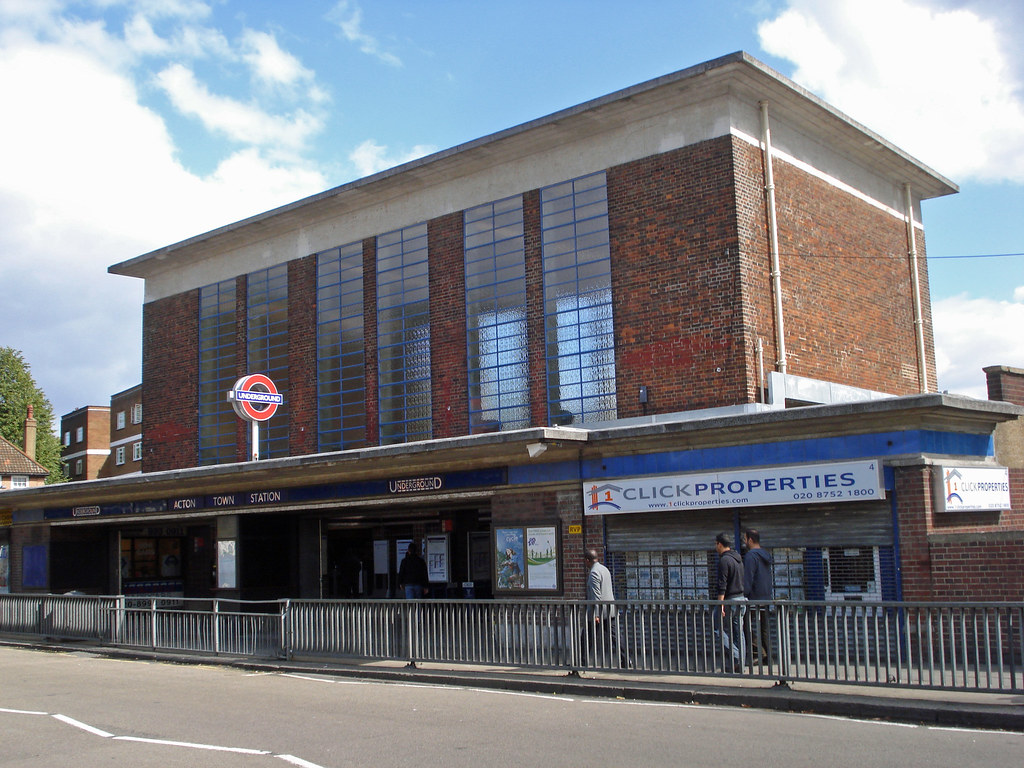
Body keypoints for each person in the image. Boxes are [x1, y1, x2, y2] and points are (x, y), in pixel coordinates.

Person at [582, 548, 630, 668]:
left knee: (586, 638)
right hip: (610, 610)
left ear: (587, 560)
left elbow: (596, 595)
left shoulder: (594, 573)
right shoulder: (604, 569)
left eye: (585, 561)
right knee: (616, 637)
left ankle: (581, 662)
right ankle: (626, 661)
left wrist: (596, 615)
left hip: (599, 613)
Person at [715, 532, 746, 672]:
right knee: (739, 632)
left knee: (717, 628)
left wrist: (720, 605)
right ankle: (741, 664)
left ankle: (737, 655)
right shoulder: (738, 559)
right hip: (741, 599)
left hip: (730, 600)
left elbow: (722, 585)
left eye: (716, 544)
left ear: (720, 544)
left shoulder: (724, 560)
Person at [742, 528, 774, 665]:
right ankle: (768, 658)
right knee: (764, 628)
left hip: (753, 598)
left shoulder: (751, 556)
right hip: (766, 597)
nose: (744, 542)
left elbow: (748, 577)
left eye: (745, 539)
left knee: (744, 625)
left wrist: (744, 594)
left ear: (750, 539)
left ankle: (759, 651)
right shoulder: (766, 555)